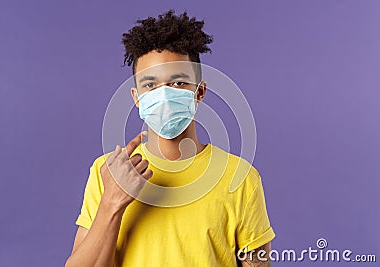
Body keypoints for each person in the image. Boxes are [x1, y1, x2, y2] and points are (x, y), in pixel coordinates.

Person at [65, 10, 275, 267]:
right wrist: (112, 202)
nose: (163, 95)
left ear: (200, 92)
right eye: (150, 85)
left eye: (177, 83)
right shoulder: (107, 172)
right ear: (136, 97)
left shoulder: (240, 178)